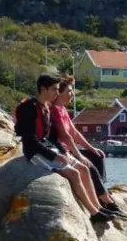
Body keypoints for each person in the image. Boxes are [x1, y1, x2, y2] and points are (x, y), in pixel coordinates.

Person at [15, 74, 113, 225]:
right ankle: (94, 213)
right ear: (43, 89)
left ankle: (99, 208)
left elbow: (53, 137)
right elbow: (30, 140)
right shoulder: (29, 108)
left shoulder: (47, 107)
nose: (57, 93)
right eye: (54, 89)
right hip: (35, 152)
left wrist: (63, 151)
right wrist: (54, 156)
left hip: (49, 148)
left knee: (83, 169)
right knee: (74, 174)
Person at [50, 80, 122, 214]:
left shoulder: (63, 109)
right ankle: (105, 200)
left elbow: (75, 133)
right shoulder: (55, 110)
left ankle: (100, 192)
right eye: (69, 91)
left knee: (97, 156)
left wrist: (92, 149)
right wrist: (80, 156)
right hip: (63, 150)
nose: (72, 94)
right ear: (59, 93)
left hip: (71, 149)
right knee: (89, 166)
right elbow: (66, 136)